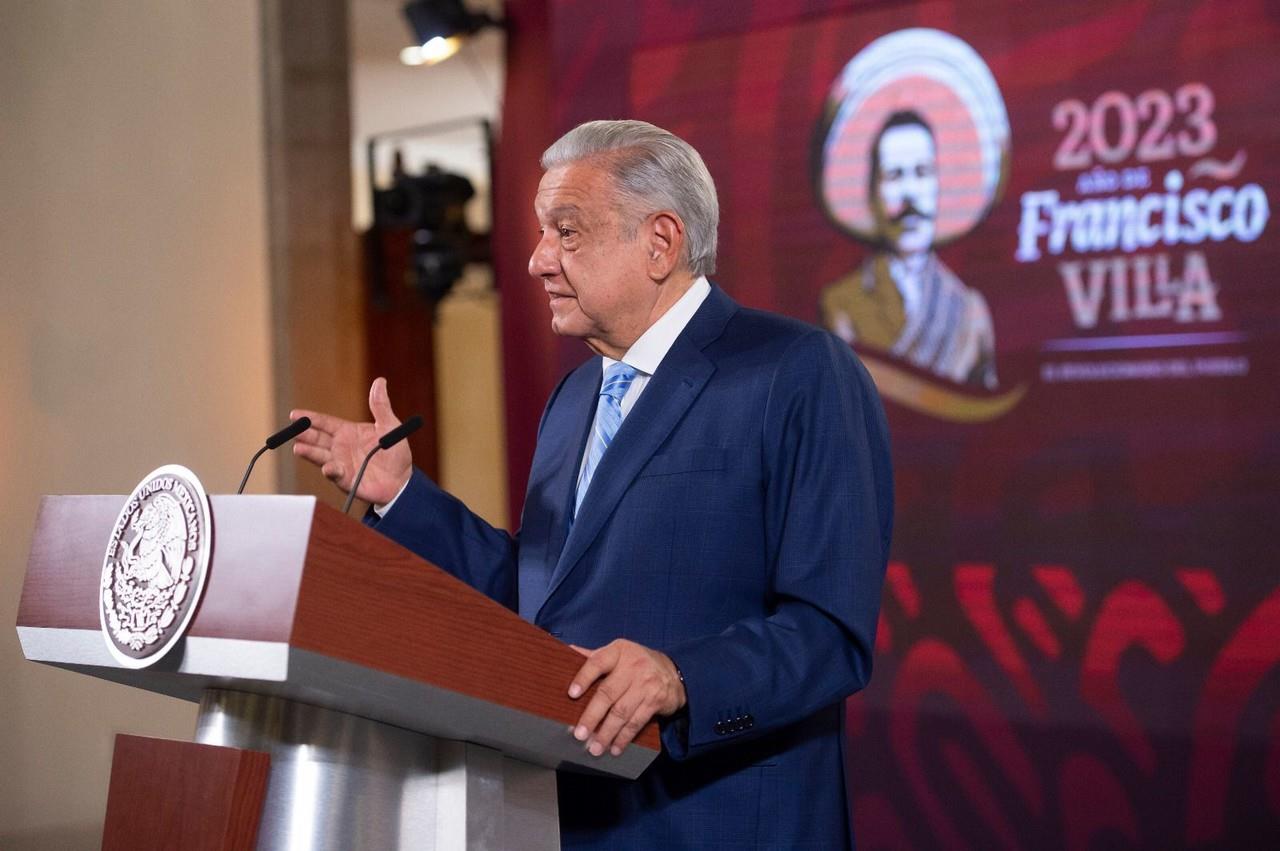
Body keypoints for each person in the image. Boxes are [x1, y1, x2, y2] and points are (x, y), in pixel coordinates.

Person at [294, 120, 893, 849]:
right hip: (562, 820)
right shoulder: (574, 397)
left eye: (566, 232)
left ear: (661, 242)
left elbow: (829, 633)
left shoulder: (797, 373)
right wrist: (400, 495)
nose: (537, 260)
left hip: (719, 821)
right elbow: (541, 599)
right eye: (543, 233)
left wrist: (681, 677)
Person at [820, 110, 998, 389]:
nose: (910, 193)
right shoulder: (842, 303)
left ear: (939, 185)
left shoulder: (968, 310)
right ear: (872, 192)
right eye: (894, 175)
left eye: (922, 172)